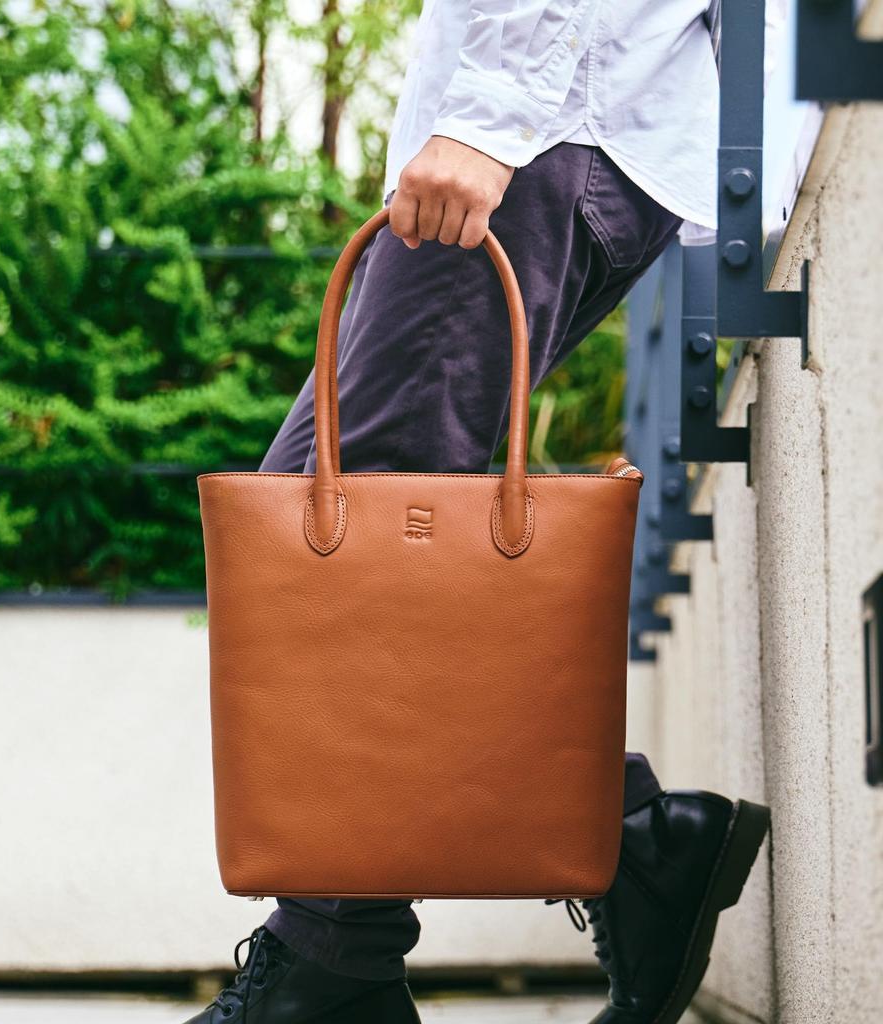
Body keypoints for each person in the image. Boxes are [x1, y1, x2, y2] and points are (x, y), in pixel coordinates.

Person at [187, 1, 769, 1021]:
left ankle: (337, 964)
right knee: (304, 531)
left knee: (345, 550)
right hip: (558, 133)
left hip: (544, 133)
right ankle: (630, 836)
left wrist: (488, 119)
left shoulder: (511, 129)